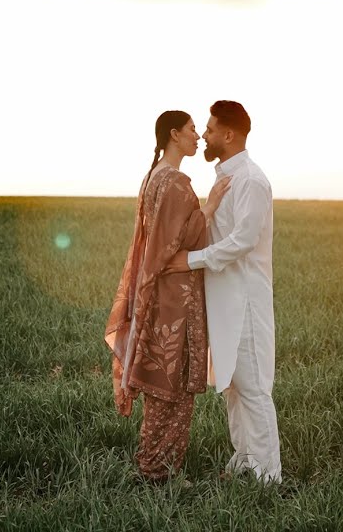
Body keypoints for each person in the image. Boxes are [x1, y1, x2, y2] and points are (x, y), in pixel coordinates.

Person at [105, 110, 232, 482]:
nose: (198, 137)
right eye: (193, 130)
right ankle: (161, 471)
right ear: (174, 134)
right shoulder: (175, 181)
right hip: (176, 296)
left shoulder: (152, 177)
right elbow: (184, 238)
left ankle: (154, 466)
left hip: (158, 293)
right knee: (172, 386)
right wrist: (209, 207)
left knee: (161, 386)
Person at [164, 100, 281, 483]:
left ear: (229, 135)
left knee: (254, 388)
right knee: (233, 384)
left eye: (211, 129)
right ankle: (244, 462)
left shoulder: (251, 179)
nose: (205, 135)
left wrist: (190, 260)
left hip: (245, 300)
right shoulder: (226, 176)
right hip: (223, 301)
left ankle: (269, 479)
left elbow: (242, 241)